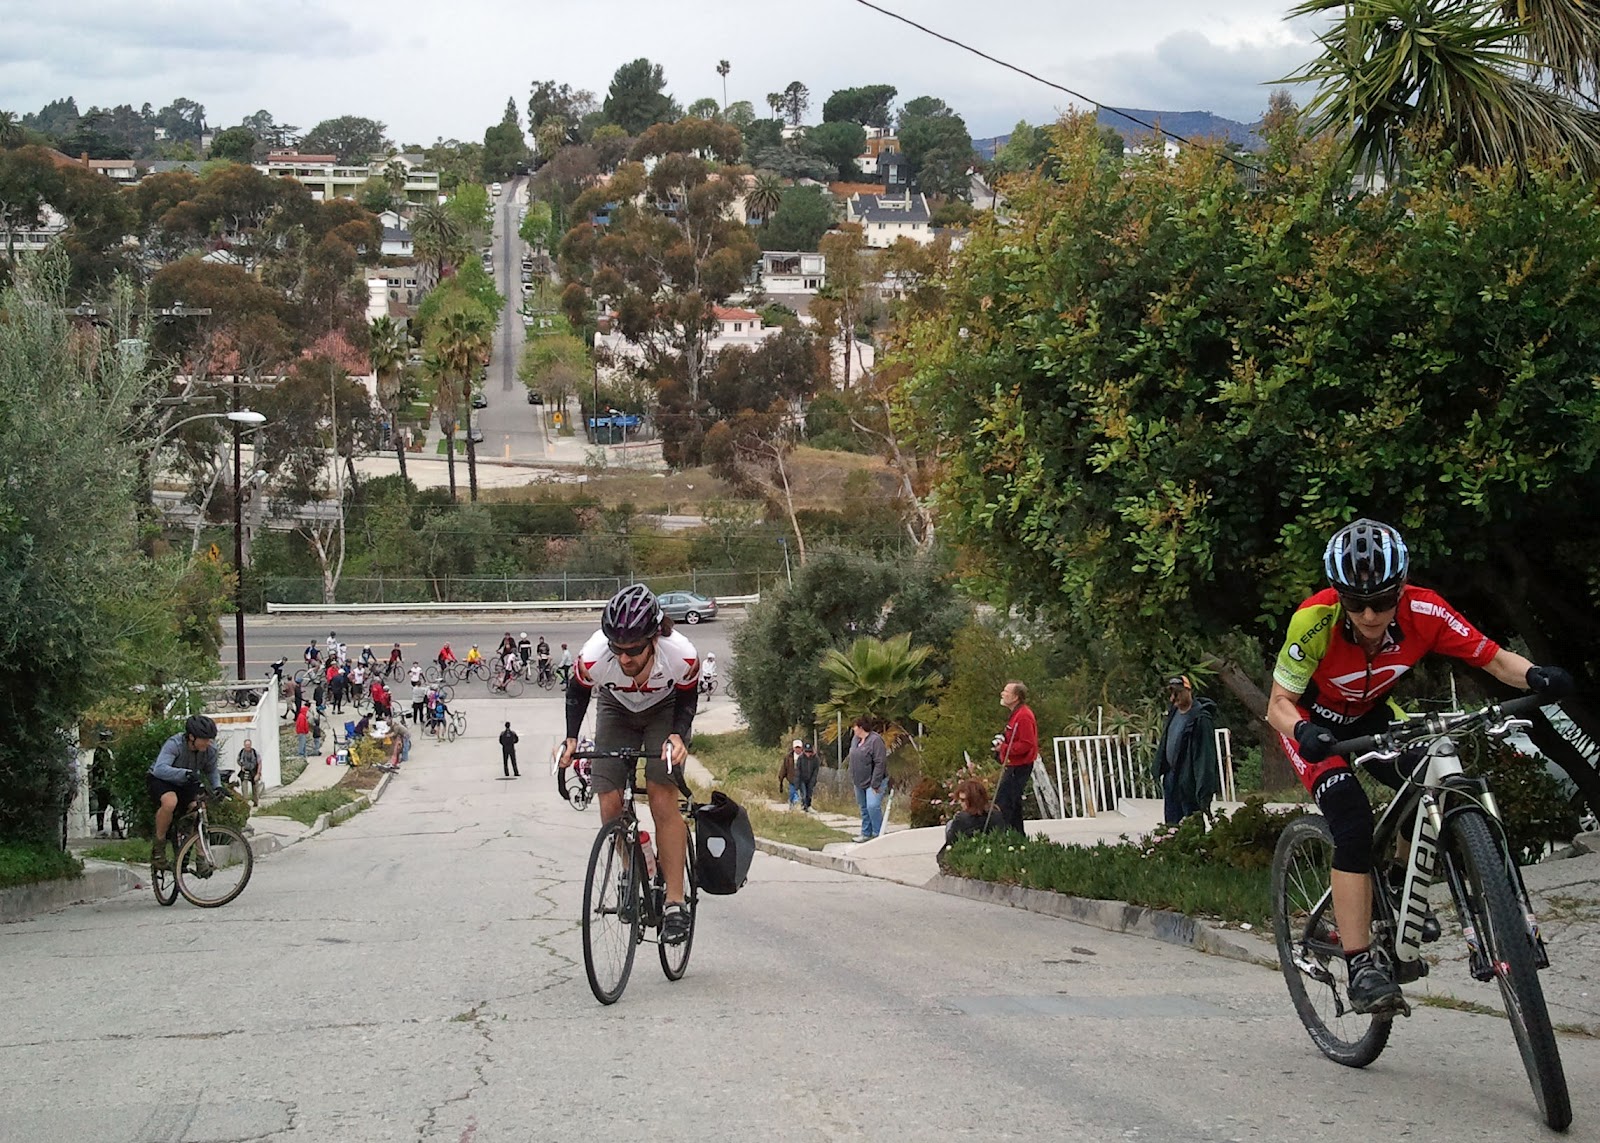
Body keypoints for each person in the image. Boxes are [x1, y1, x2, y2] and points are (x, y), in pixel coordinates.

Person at [1266, 517, 1574, 1015]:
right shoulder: (1313, 620)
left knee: (1427, 777)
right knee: (1352, 821)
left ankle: (1394, 882)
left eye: (1383, 601)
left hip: (1373, 715)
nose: (1369, 614)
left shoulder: (1425, 610)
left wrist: (1537, 674)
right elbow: (1278, 703)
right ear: (1338, 595)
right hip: (1311, 726)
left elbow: (1494, 660)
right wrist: (1303, 732)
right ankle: (1360, 961)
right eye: (1356, 602)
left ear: (1401, 589)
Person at [560, 584, 701, 945]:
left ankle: (673, 902)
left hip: (664, 710)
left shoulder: (680, 655)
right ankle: (633, 866)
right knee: (608, 801)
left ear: (654, 637)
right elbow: (577, 690)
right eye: (617, 649)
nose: (624, 659)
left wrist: (678, 736)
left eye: (634, 650)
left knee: (660, 796)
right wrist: (572, 737)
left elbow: (687, 697)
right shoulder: (594, 656)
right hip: (616, 709)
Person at [146, 715, 223, 870]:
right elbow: (160, 769)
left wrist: (218, 787)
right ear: (191, 737)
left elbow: (211, 770)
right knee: (170, 801)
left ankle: (201, 858)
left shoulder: (210, 750)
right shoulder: (174, 744)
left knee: (199, 809)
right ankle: (159, 846)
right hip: (162, 779)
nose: (208, 743)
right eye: (204, 739)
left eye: (210, 739)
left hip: (186, 781)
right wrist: (185, 773)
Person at [1154, 675, 1220, 825]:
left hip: (1189, 782)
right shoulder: (1173, 713)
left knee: (1191, 827)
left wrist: (1204, 792)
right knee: (1171, 827)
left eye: (1176, 693)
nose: (1172, 698)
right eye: (1170, 694)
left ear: (1188, 690)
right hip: (1172, 779)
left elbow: (1205, 758)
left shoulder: (1201, 718)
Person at [994, 680, 1038, 836]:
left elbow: (1027, 744)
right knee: (1014, 803)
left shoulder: (1024, 716)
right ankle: (1018, 837)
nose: (1002, 694)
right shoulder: (1017, 714)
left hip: (1019, 766)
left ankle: (1007, 837)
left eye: (1006, 691)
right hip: (1014, 765)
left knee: (1005, 803)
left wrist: (1004, 748)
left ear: (1016, 697)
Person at [937, 778, 1004, 867]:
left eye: (963, 800)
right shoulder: (996, 814)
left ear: (972, 800)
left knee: (950, 824)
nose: (960, 803)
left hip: (968, 856)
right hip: (992, 855)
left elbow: (951, 841)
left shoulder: (962, 818)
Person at [848, 716, 888, 842]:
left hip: (874, 781)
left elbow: (880, 762)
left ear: (861, 727)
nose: (853, 729)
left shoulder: (875, 741)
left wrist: (875, 783)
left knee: (873, 806)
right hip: (859, 781)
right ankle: (866, 833)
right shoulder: (855, 740)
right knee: (863, 807)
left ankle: (878, 834)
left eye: (855, 726)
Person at [89, 732, 118, 838]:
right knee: (109, 805)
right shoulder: (100, 752)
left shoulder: (106, 752)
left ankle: (108, 829)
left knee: (104, 806)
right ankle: (109, 829)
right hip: (104, 783)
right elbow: (103, 768)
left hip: (105, 783)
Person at [236, 738, 262, 807]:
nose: (248, 747)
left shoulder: (255, 753)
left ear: (251, 745)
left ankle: (256, 802)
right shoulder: (241, 752)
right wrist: (241, 766)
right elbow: (238, 760)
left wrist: (258, 773)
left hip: (254, 770)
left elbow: (259, 763)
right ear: (244, 745)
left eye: (249, 745)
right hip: (245, 771)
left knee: (255, 787)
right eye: (246, 745)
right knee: (244, 786)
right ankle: (245, 802)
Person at [795, 741, 820, 812]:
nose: (808, 754)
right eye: (806, 752)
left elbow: (816, 771)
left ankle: (808, 806)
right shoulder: (800, 758)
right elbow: (798, 770)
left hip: (811, 778)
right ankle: (804, 806)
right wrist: (797, 782)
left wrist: (813, 780)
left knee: (809, 793)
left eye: (809, 752)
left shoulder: (816, 759)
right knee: (804, 793)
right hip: (802, 779)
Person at [779, 740, 803, 807]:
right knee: (792, 793)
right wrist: (781, 778)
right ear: (793, 748)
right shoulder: (788, 757)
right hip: (792, 779)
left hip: (802, 779)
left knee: (801, 793)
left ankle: (801, 806)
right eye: (796, 747)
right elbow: (784, 768)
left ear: (802, 748)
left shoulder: (805, 756)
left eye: (799, 747)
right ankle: (791, 805)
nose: (798, 749)